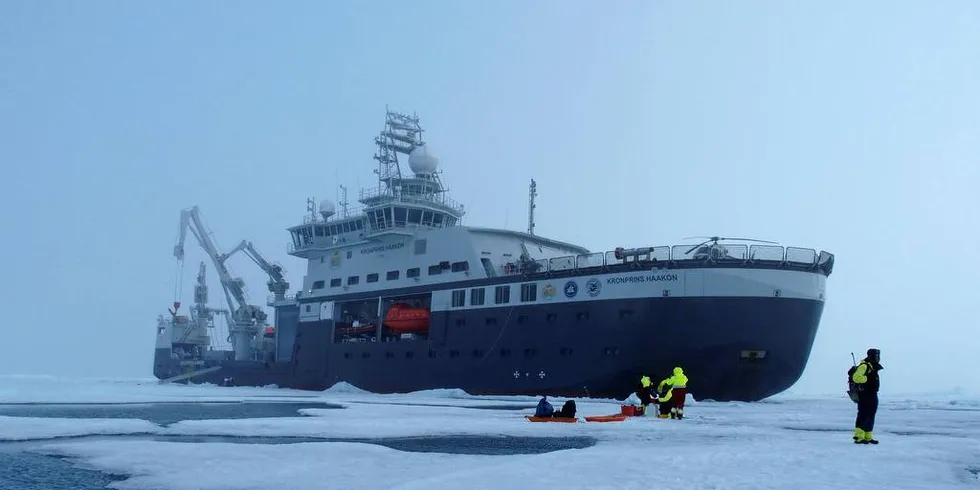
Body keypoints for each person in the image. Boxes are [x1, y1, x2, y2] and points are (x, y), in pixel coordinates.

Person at [851, 348, 882, 444]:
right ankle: (859, 436)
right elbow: (856, 377)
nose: (877, 357)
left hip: (872, 394)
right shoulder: (864, 366)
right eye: (875, 355)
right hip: (864, 394)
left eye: (878, 355)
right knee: (863, 414)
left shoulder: (873, 367)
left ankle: (868, 436)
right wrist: (867, 379)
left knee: (871, 414)